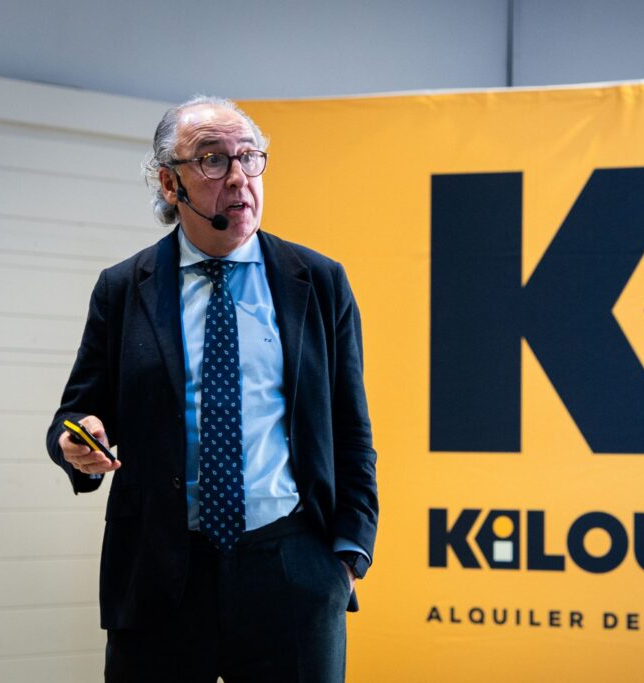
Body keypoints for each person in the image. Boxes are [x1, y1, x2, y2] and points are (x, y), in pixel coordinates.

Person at [45, 95, 378, 682]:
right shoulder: (123, 288)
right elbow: (77, 414)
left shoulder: (318, 282)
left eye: (249, 157)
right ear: (169, 183)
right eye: (213, 160)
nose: (239, 178)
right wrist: (77, 443)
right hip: (160, 577)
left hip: (290, 572)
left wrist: (348, 555)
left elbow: (351, 429)